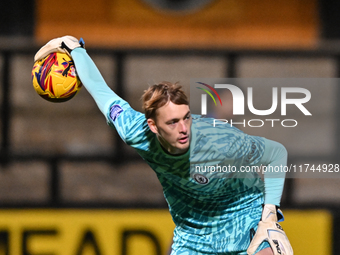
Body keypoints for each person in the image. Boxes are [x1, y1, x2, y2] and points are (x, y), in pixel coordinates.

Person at [34, 36, 293, 255]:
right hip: (193, 238)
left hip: (245, 220)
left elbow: (276, 153)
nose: (183, 129)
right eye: (172, 122)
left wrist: (269, 215)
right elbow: (101, 92)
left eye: (186, 118)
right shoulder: (135, 131)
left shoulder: (220, 141)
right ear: (153, 126)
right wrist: (75, 49)